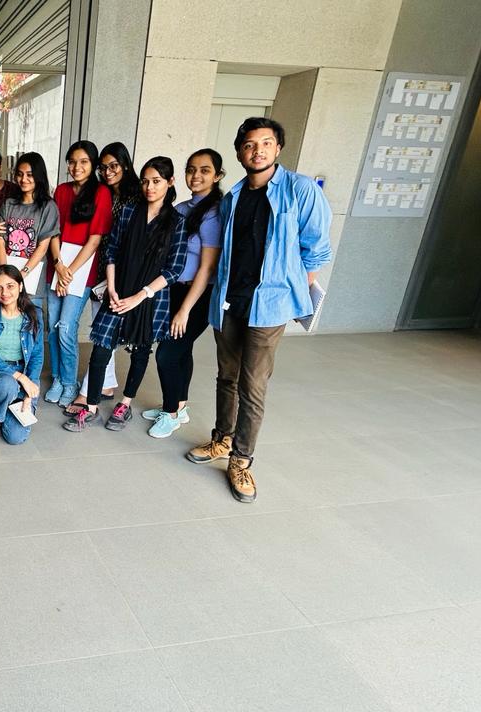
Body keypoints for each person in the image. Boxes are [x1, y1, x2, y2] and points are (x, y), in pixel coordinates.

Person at [186, 117, 332, 503]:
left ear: (278, 148)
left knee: (253, 384)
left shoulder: (300, 190)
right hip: (230, 299)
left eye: (266, 143)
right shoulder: (233, 197)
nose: (258, 151)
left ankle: (241, 460)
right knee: (226, 376)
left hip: (269, 305)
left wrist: (292, 290)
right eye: (250, 145)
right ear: (239, 152)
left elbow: (316, 249)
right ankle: (222, 439)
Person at [64, 156, 189, 433]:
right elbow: (112, 250)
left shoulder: (177, 222)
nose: (150, 187)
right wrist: (111, 287)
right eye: (145, 181)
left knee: (141, 352)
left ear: (170, 182)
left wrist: (141, 295)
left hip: (151, 297)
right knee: (101, 349)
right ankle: (91, 407)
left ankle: (125, 404)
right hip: (118, 291)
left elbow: (174, 269)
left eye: (156, 181)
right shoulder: (129, 211)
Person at [143, 148, 224, 439]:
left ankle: (171, 413)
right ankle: (180, 405)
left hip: (198, 295)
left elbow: (206, 267)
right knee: (182, 350)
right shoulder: (182, 208)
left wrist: (185, 310)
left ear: (218, 176)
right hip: (175, 290)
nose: (196, 175)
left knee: (167, 353)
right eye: (191, 169)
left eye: (204, 170)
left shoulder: (214, 214)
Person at [65, 142, 139, 415]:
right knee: (102, 329)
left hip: (119, 275)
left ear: (125, 165)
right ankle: (106, 385)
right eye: (104, 167)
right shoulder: (104, 193)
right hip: (98, 271)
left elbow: (131, 243)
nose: (108, 172)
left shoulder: (135, 198)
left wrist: (117, 280)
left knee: (103, 335)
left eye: (114, 166)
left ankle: (87, 392)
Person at [45, 140, 114, 408]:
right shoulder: (62, 191)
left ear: (93, 164)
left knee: (66, 327)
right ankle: (58, 379)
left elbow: (94, 240)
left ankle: (70, 381)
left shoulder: (101, 193)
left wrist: (69, 272)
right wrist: (58, 265)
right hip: (58, 265)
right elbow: (53, 231)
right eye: (72, 162)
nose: (77, 167)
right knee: (52, 327)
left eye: (83, 162)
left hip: (82, 271)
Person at [0, 265, 45, 444]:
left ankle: (7, 402)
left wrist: (29, 392)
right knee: (7, 384)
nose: (4, 293)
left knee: (15, 437)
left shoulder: (35, 314)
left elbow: (36, 355)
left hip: (23, 371)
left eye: (10, 286)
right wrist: (21, 378)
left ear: (20, 286)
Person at [0, 151, 58, 297]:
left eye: (29, 175)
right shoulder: (8, 204)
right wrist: (6, 275)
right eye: (20, 174)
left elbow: (42, 247)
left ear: (38, 176)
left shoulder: (48, 207)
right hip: (6, 282)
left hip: (32, 281)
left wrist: (22, 274)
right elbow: (0, 242)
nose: (23, 179)